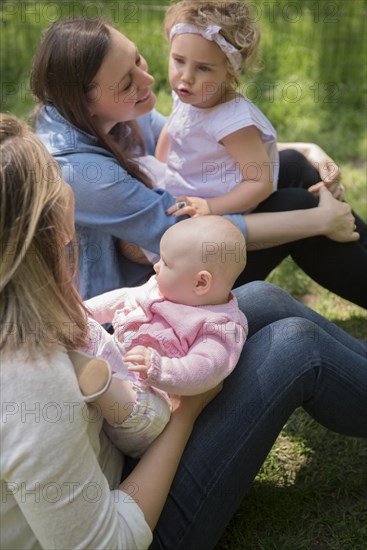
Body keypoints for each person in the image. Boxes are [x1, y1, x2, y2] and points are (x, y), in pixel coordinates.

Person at [2, 113, 366, 550]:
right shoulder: (32, 383)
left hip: (126, 441)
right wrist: (186, 413)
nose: (68, 183)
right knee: (296, 347)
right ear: (47, 224)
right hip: (136, 519)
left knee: (262, 299)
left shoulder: (28, 297)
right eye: (55, 175)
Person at [30, 17, 367, 309]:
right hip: (148, 298)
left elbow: (201, 147)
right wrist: (316, 221)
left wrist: (308, 149)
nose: (147, 82)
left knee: (291, 164)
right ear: (85, 103)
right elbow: (184, 234)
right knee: (298, 203)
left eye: (138, 60)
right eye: (127, 83)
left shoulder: (107, 116)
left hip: (175, 251)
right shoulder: (75, 172)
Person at [80, 216, 247, 457]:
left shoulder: (217, 326)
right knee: (86, 331)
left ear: (200, 282)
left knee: (93, 347)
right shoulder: (159, 288)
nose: (156, 266)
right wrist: (83, 311)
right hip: (121, 379)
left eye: (166, 263)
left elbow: (207, 367)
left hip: (152, 415)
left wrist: (159, 368)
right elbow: (122, 298)